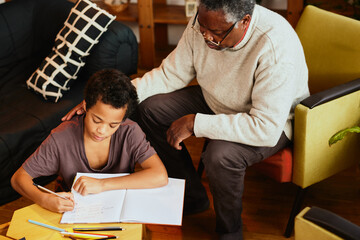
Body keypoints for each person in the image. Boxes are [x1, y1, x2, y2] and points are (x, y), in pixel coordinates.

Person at [63, 0, 309, 238]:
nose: (207, 38)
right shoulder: (204, 23)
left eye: (216, 33)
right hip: (216, 100)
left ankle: (230, 231)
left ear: (244, 21)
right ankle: (191, 197)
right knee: (149, 108)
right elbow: (170, 75)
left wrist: (196, 123)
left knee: (219, 155)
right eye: (203, 29)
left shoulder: (275, 45)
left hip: (269, 122)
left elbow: (264, 128)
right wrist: (104, 98)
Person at [11, 69, 168, 213]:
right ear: (85, 105)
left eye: (113, 125)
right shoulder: (61, 138)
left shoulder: (130, 131)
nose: (102, 130)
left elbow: (160, 175)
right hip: (74, 211)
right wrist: (44, 199)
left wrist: (102, 185)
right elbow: (19, 178)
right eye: (96, 120)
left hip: (119, 209)